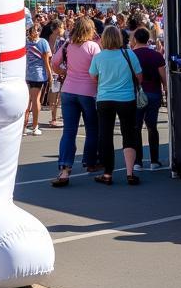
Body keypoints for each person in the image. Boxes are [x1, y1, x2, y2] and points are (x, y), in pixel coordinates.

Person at [51, 16, 102, 187]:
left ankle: (65, 168)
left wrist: (64, 72)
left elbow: (54, 63)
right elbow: (98, 69)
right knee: (92, 129)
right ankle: (90, 162)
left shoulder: (67, 45)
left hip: (69, 90)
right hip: (88, 91)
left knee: (69, 131)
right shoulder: (93, 47)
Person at [88, 26, 142, 185]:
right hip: (126, 98)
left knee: (105, 135)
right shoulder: (129, 54)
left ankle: (107, 173)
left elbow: (93, 77)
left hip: (105, 98)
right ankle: (130, 172)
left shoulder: (98, 57)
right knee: (128, 134)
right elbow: (139, 77)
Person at [131, 27, 166, 169]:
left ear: (134, 39)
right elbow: (163, 77)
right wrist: (167, 92)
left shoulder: (131, 55)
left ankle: (137, 161)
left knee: (136, 128)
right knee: (152, 127)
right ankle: (154, 160)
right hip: (153, 93)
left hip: (136, 94)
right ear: (148, 39)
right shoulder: (157, 55)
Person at [23, 24, 51, 136]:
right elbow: (46, 60)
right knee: (36, 100)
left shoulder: (26, 43)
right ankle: (35, 127)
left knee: (27, 101)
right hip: (38, 74)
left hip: (27, 73)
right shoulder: (43, 42)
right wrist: (50, 75)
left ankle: (24, 127)